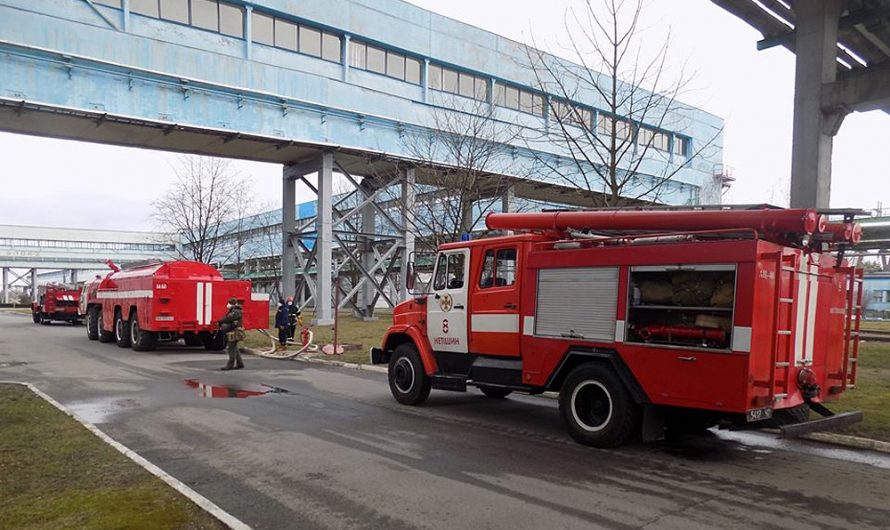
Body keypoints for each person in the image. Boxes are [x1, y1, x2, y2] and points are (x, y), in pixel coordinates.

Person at [218, 297, 245, 371]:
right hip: (233, 331)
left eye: (229, 303)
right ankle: (240, 364)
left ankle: (230, 364)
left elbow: (229, 318)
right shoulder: (235, 310)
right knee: (234, 347)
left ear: (233, 304)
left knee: (231, 347)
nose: (228, 305)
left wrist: (220, 320)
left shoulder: (236, 311)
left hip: (235, 331)